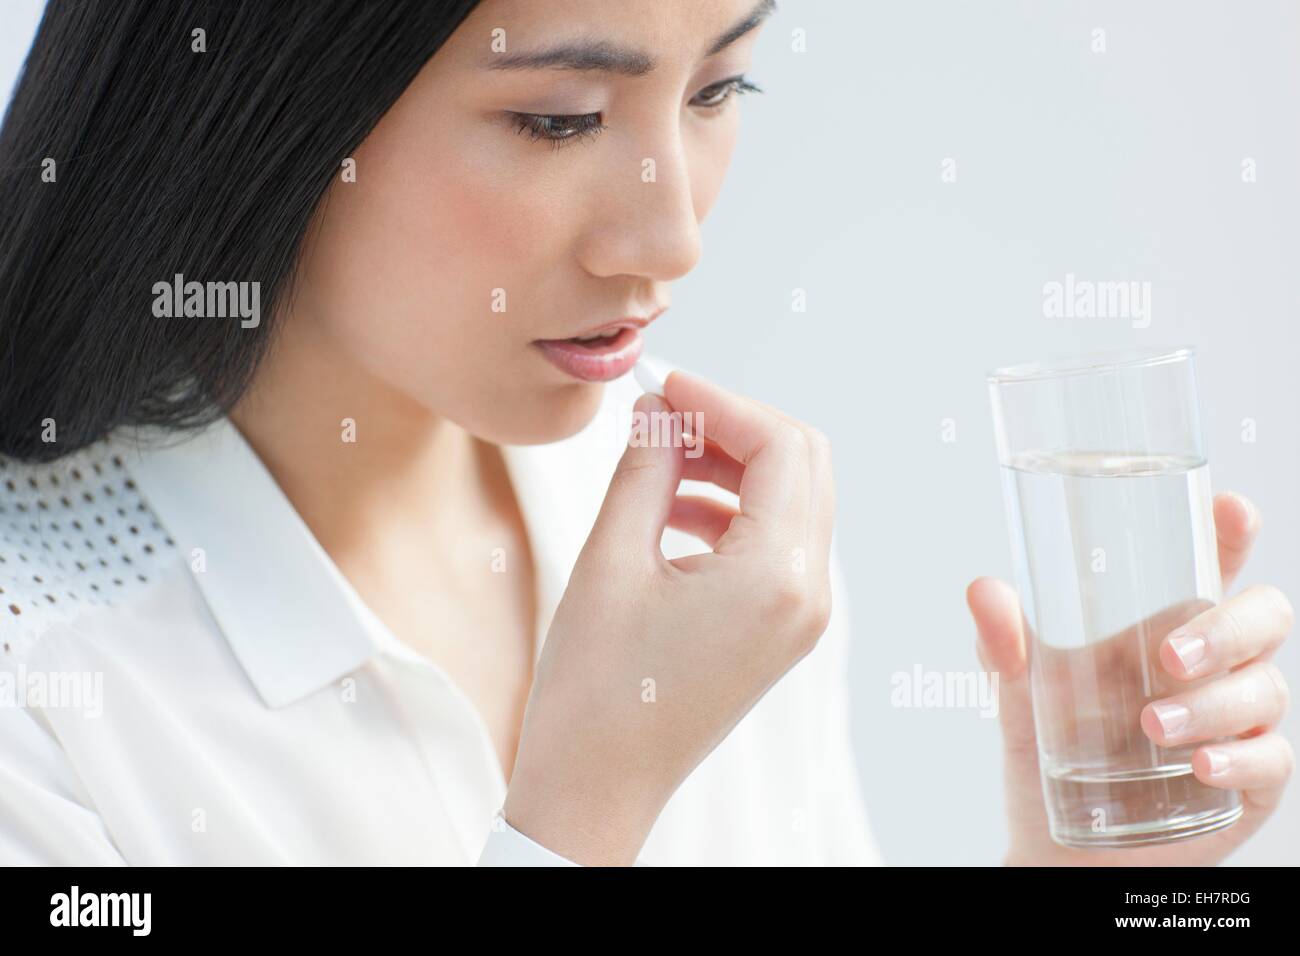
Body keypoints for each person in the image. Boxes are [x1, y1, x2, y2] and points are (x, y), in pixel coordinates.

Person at [0, 0, 1289, 866]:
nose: (674, 239)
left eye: (720, 88)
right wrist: (578, 817)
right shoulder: (39, 686)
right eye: (558, 119)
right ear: (260, 113)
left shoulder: (720, 537)